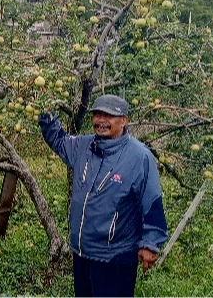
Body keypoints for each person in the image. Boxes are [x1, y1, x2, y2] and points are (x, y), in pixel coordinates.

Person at [38, 94, 168, 298]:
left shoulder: (139, 157)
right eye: (97, 115)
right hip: (82, 253)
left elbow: (151, 202)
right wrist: (44, 108)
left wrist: (150, 243)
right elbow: (58, 139)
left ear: (124, 120)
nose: (101, 121)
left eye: (108, 116)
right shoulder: (84, 146)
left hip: (115, 257)